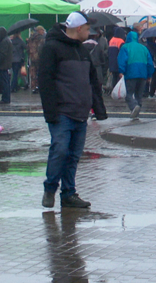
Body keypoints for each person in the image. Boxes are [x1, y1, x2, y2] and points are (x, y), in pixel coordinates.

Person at [39, 12, 107, 209]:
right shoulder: (51, 48)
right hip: (61, 112)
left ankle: (69, 193)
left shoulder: (83, 50)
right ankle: (50, 188)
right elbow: (45, 81)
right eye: (87, 29)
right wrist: (50, 112)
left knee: (73, 156)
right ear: (78, 29)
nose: (89, 32)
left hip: (80, 112)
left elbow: (92, 80)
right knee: (59, 150)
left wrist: (99, 109)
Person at [118, 31, 154, 121]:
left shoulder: (125, 47)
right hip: (143, 73)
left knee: (128, 93)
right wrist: (149, 74)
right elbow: (150, 63)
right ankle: (136, 113)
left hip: (131, 73)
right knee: (139, 94)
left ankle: (134, 107)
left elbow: (122, 60)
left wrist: (121, 71)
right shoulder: (144, 48)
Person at [0, 26, 13, 104]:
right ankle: (6, 98)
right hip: (5, 65)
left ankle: (5, 98)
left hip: (3, 65)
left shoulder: (4, 41)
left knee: (4, 82)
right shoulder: (6, 40)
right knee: (6, 82)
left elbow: (2, 54)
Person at [107, 27, 127, 93]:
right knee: (119, 78)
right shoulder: (121, 41)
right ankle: (118, 92)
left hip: (111, 63)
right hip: (118, 63)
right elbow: (122, 54)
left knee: (114, 78)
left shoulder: (111, 40)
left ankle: (113, 90)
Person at [27, 26, 46, 93]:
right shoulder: (40, 38)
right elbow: (41, 48)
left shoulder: (31, 38)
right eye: (42, 30)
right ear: (39, 30)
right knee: (39, 72)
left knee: (33, 72)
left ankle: (33, 87)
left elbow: (27, 48)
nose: (43, 32)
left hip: (32, 57)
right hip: (39, 57)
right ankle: (39, 86)